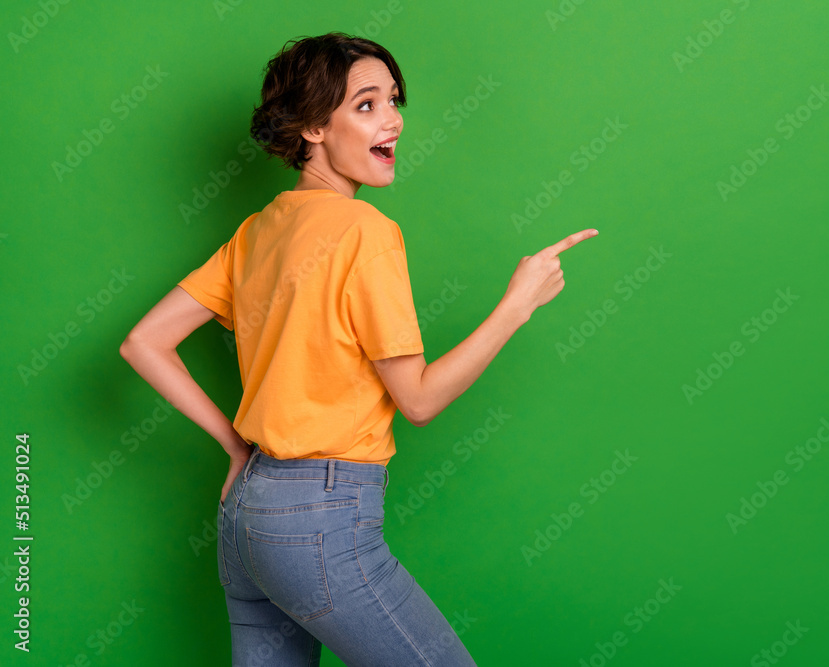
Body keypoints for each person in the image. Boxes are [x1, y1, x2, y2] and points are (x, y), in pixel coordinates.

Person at [119, 32, 597, 666]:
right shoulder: (366, 232)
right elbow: (419, 400)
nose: (393, 119)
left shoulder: (259, 229)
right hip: (320, 519)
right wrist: (517, 305)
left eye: (394, 101)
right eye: (366, 104)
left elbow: (143, 343)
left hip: (246, 517)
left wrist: (238, 446)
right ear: (314, 126)